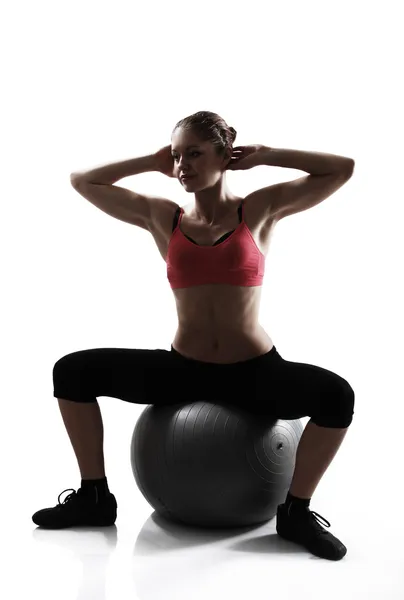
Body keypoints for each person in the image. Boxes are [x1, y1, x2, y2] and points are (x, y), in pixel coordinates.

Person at [32, 111, 355, 561]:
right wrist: (150, 160)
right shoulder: (163, 217)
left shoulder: (257, 210)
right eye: (178, 155)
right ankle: (94, 498)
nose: (183, 164)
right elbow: (82, 180)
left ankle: (296, 513)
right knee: (72, 372)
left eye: (195, 153)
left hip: (253, 372)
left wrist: (267, 156)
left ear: (225, 154)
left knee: (337, 396)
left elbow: (342, 168)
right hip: (184, 369)